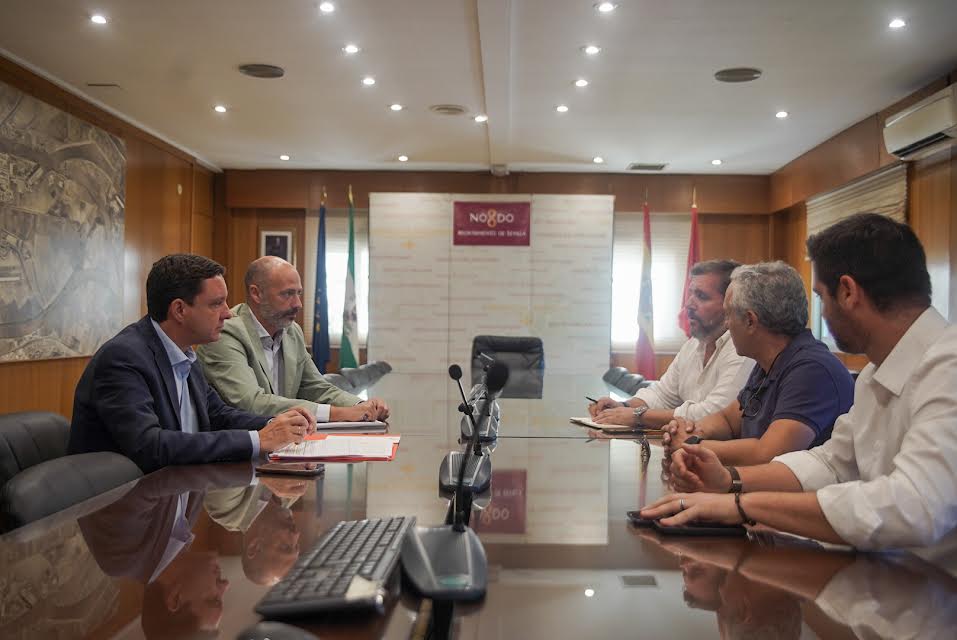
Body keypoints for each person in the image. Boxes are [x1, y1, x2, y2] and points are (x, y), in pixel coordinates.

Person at [642, 213, 957, 554]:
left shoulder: (948, 368)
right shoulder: (872, 376)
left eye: (821, 296)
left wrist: (742, 506)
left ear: (848, 291)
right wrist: (730, 481)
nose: (819, 314)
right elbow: (831, 463)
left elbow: (912, 508)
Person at [69, 254, 314, 473]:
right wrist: (258, 440)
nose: (228, 314)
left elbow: (218, 415)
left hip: (176, 494)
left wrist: (278, 423)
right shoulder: (124, 358)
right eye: (217, 303)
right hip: (121, 508)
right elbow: (149, 445)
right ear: (179, 310)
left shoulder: (185, 352)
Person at [661, 261, 854, 466]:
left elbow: (768, 453)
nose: (726, 324)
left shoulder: (813, 370)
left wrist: (691, 445)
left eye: (729, 315)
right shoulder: (769, 361)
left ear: (750, 321)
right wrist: (691, 430)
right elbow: (728, 420)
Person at [197, 256, 389, 423]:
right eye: (287, 294)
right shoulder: (225, 332)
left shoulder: (291, 331)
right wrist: (338, 413)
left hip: (286, 443)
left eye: (298, 293)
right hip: (241, 450)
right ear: (256, 293)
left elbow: (316, 388)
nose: (297, 304)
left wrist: (363, 407)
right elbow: (250, 403)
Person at [588, 260, 753, 429]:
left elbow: (714, 413)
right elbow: (662, 395)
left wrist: (638, 416)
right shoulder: (692, 346)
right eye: (691, 294)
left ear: (730, 304)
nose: (689, 304)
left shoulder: (743, 350)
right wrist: (623, 407)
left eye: (701, 296)